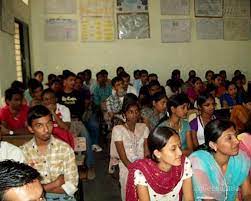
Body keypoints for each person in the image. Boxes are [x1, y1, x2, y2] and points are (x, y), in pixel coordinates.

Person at [22, 105, 79, 201]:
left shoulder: (64, 149)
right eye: (39, 126)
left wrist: (41, 188)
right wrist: (55, 184)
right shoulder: (24, 152)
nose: (46, 129)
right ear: (31, 128)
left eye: (49, 123)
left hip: (64, 198)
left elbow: (71, 187)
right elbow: (25, 189)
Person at [126, 126, 193, 201]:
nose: (180, 153)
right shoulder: (143, 172)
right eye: (173, 149)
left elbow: (189, 198)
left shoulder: (184, 164)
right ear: (157, 153)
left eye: (179, 147)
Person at [189, 119, 251, 201]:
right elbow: (208, 199)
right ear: (213, 145)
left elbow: (247, 194)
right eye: (229, 138)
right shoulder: (200, 162)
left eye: (235, 135)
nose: (237, 141)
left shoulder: (240, 159)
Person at [111, 94, 149, 201]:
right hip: (126, 167)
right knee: (128, 195)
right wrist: (133, 170)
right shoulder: (118, 130)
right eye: (130, 112)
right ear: (124, 114)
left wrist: (144, 168)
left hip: (142, 166)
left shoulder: (144, 128)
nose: (134, 115)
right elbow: (123, 156)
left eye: (136, 112)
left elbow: (146, 152)